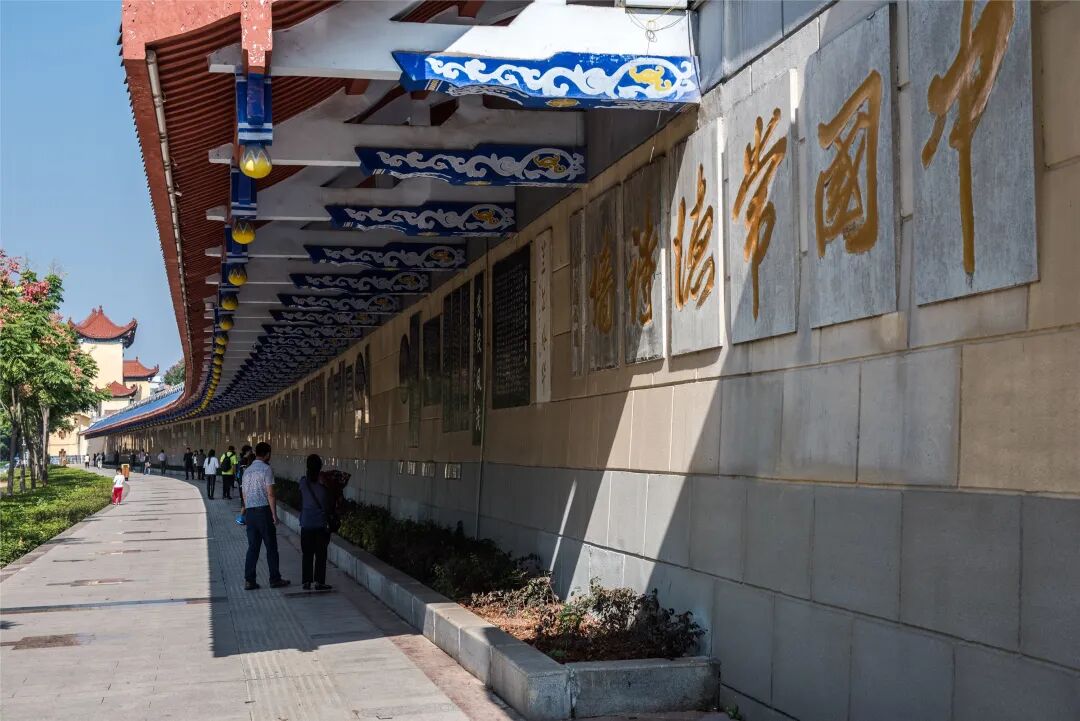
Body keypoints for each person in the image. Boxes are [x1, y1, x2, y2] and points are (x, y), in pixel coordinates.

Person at [241, 442, 290, 590]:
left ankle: (249, 580)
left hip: (250, 513)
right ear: (267, 454)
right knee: (271, 547)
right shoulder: (266, 469)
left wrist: (246, 511)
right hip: (263, 512)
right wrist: (274, 514)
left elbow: (244, 494)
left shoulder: (247, 471)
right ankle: (275, 579)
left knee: (253, 548)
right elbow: (270, 493)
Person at [299, 454, 332, 591]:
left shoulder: (303, 482)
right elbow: (328, 501)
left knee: (307, 553)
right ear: (320, 467)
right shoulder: (325, 484)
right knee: (321, 554)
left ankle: (306, 582)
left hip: (306, 522)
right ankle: (319, 582)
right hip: (321, 523)